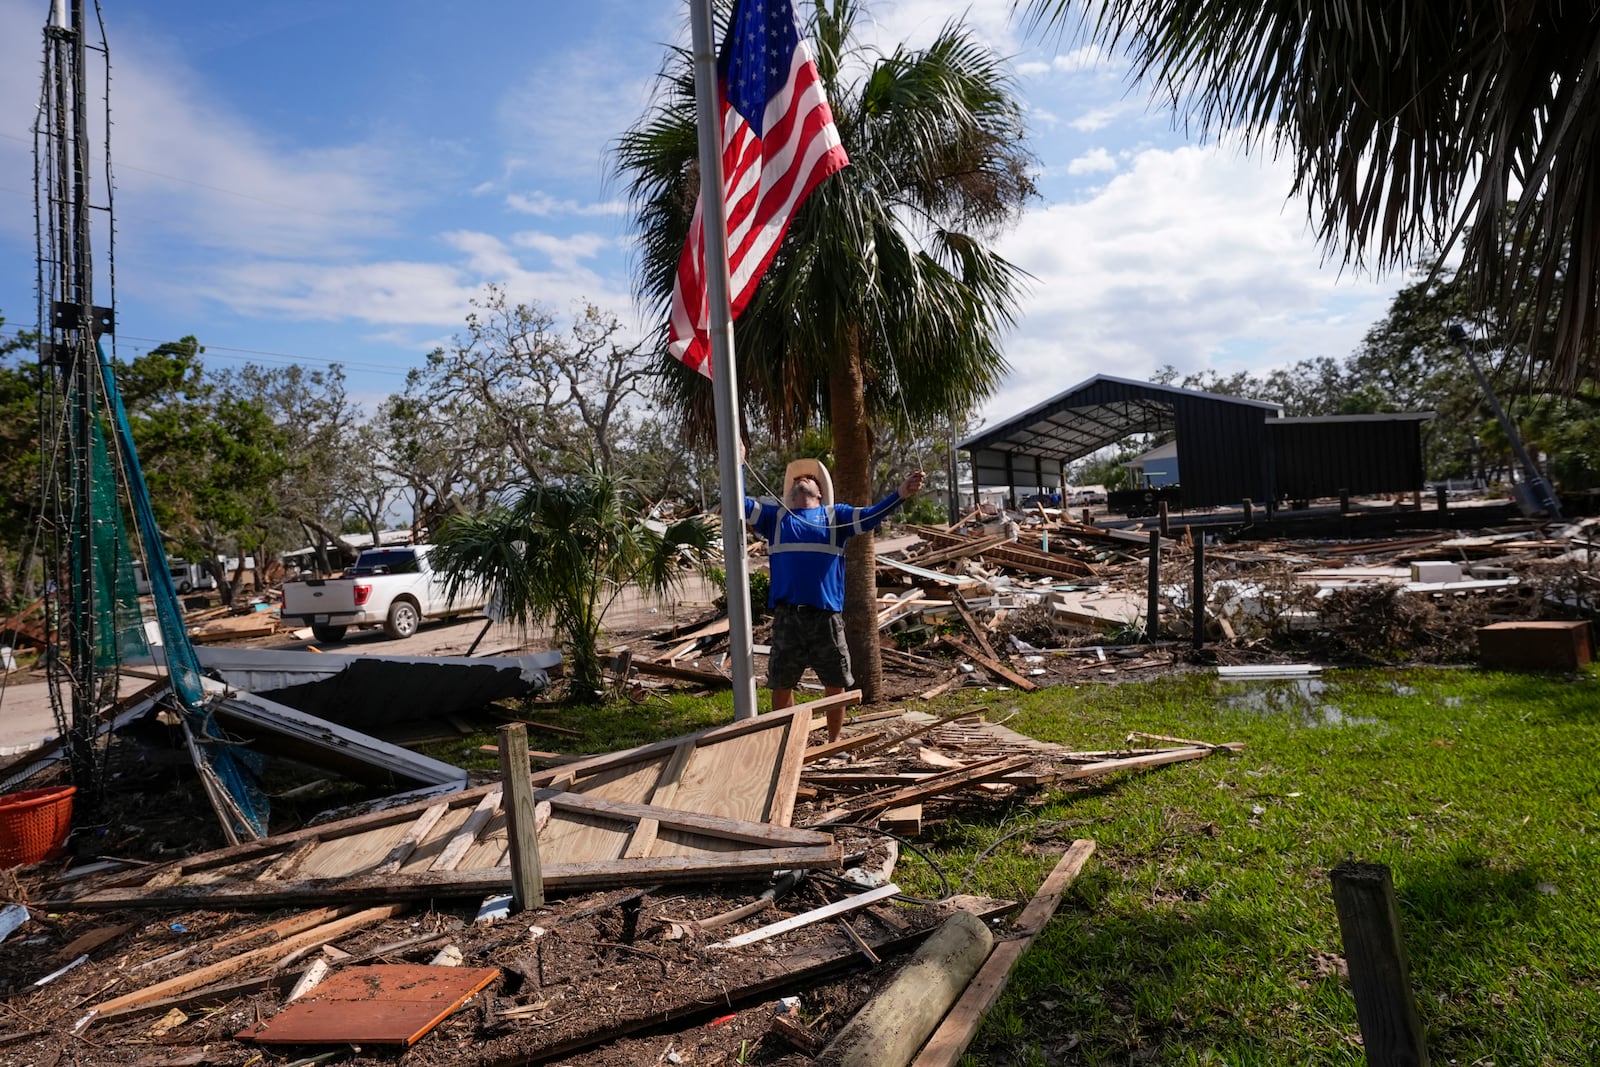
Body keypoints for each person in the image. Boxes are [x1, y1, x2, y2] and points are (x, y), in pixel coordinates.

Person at [745, 458, 925, 740]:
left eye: (808, 479)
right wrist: (741, 460)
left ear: (820, 492)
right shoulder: (774, 519)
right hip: (787, 617)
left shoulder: (835, 517)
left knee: (835, 682)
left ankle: (834, 742)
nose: (801, 481)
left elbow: (871, 515)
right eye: (797, 480)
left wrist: (900, 494)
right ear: (789, 492)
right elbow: (738, 503)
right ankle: (787, 741)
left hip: (825, 616)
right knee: (781, 683)